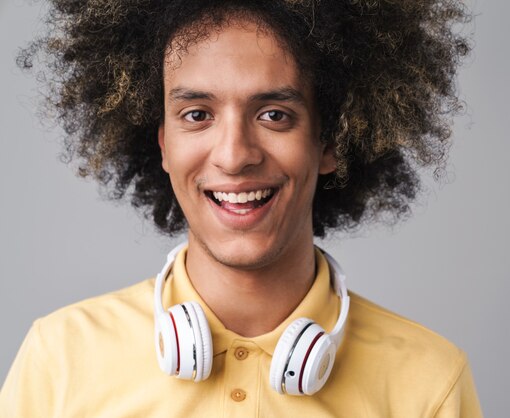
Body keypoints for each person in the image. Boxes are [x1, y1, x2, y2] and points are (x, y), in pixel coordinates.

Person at [0, 1, 481, 416]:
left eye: (274, 115)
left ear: (330, 141)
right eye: (197, 115)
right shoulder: (60, 357)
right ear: (164, 145)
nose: (234, 155)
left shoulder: (429, 382)